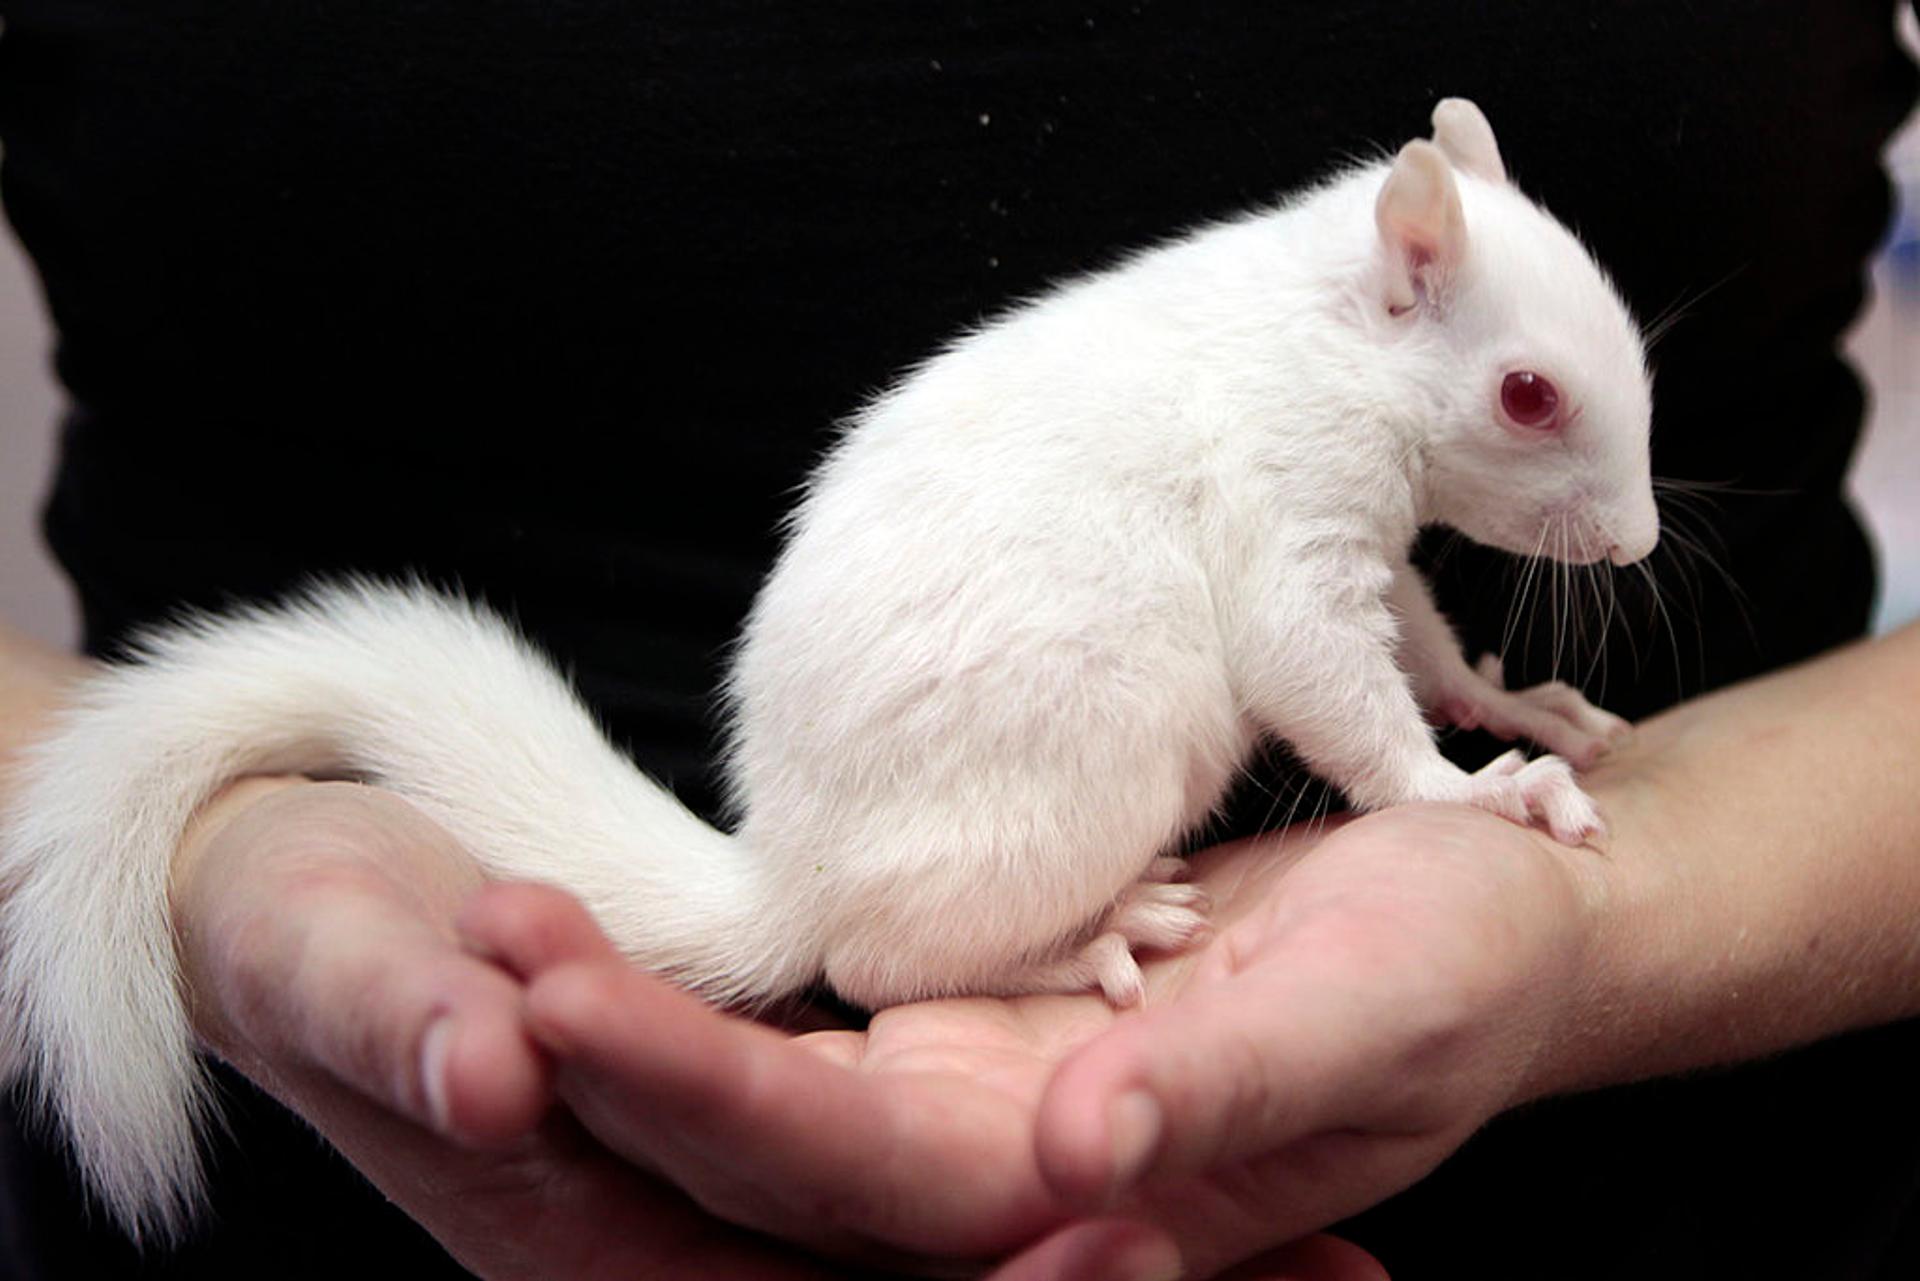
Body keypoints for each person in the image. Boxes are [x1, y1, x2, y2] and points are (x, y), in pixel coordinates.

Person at [0, 2, 1916, 1276]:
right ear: (1408, 267)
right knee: (1149, 649)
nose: (1622, 523)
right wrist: (1428, 785)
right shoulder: (1287, 370)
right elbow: (1288, 618)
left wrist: (1484, 721)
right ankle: (947, 919)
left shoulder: (1289, 353)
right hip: (414, 1172)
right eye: (1530, 408)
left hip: (1709, 1168)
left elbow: (1342, 590)